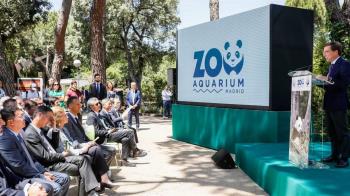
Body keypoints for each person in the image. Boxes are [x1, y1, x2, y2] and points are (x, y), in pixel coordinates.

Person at [23, 106, 102, 195]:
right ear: (40, 115)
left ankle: (90, 191)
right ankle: (90, 192)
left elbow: (53, 146)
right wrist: (63, 155)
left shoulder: (40, 129)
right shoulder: (30, 133)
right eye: (49, 117)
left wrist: (54, 127)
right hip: (49, 164)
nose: (50, 120)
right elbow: (45, 157)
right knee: (83, 164)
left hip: (56, 158)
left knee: (85, 160)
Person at [0, 108, 70, 196]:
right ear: (11, 122)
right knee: (55, 187)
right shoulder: (6, 139)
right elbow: (19, 166)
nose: (24, 118)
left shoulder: (18, 135)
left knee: (64, 178)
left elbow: (32, 159)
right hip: (23, 178)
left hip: (35, 171)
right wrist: (40, 175)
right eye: (21, 116)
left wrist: (43, 172)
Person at [52, 106, 116, 191]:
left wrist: (86, 144)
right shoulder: (57, 131)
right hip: (68, 156)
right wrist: (84, 148)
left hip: (74, 150)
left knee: (94, 150)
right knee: (92, 153)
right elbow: (67, 149)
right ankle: (100, 181)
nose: (67, 116)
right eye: (64, 115)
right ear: (59, 118)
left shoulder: (62, 129)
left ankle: (100, 181)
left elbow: (71, 144)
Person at [63, 96, 116, 171]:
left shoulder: (76, 117)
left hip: (87, 143)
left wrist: (91, 141)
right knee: (103, 152)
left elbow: (83, 135)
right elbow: (72, 137)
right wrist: (85, 145)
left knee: (112, 150)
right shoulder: (67, 119)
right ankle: (100, 175)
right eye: (78, 104)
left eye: (80, 103)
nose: (80, 106)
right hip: (80, 147)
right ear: (70, 106)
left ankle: (100, 174)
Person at [319, 41, 350, 168]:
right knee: (332, 132)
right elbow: (330, 85)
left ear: (336, 52)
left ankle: (344, 157)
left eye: (327, 51)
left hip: (338, 103)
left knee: (341, 132)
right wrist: (320, 81)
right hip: (329, 104)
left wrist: (327, 80)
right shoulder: (331, 66)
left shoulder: (345, 64)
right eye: (324, 52)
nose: (324, 54)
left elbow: (343, 84)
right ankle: (334, 155)